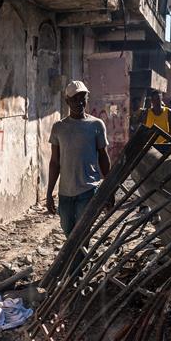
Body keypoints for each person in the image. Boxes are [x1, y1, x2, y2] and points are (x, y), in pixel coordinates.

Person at [46, 80, 111, 237]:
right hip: (65, 193)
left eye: (82, 97)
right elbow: (55, 162)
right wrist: (49, 193)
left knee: (82, 234)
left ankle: (78, 262)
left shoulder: (96, 125)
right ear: (67, 101)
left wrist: (109, 188)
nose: (79, 102)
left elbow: (103, 156)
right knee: (69, 233)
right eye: (74, 99)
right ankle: (77, 261)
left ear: (87, 98)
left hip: (88, 190)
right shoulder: (59, 127)